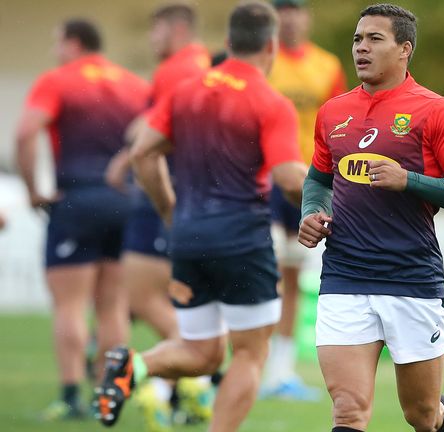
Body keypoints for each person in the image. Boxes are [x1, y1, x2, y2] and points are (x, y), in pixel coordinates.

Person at [96, 2, 306, 431]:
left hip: (188, 237)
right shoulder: (271, 101)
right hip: (243, 240)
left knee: (203, 352)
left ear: (228, 43)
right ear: (272, 46)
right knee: (250, 353)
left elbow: (141, 153)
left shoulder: (185, 91)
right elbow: (288, 177)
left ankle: (133, 366)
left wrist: (169, 208)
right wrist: (332, 199)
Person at [299, 4, 444, 431]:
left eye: (374, 39)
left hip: (411, 279)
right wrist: (312, 211)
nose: (361, 48)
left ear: (404, 49)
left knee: (421, 414)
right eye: (356, 39)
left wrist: (410, 181)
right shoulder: (333, 112)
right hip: (344, 278)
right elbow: (317, 179)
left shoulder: (435, 111)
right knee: (348, 409)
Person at [15, 18, 148, 420]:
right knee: (112, 306)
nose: (57, 51)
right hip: (125, 201)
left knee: (70, 306)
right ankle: (108, 395)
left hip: (75, 199)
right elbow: (151, 138)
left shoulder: (57, 80)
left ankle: (71, 397)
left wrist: (32, 191)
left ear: (72, 43)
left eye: (58, 43)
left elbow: (25, 133)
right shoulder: (133, 84)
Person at [103, 4, 213, 429]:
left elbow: (157, 128)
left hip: (164, 190)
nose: (153, 40)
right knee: (165, 294)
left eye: (158, 31)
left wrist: (126, 154)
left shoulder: (179, 68)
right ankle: (183, 381)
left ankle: (197, 368)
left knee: (141, 296)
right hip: (191, 192)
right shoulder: (198, 66)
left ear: (179, 28)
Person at [260, 0, 347, 401]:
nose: (291, 18)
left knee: (291, 277)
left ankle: (280, 372)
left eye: (297, 10)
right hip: (261, 180)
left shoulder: (327, 66)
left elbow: (341, 124)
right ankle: (246, 364)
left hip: (307, 181)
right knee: (257, 271)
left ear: (306, 17)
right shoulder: (263, 61)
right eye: (284, 11)